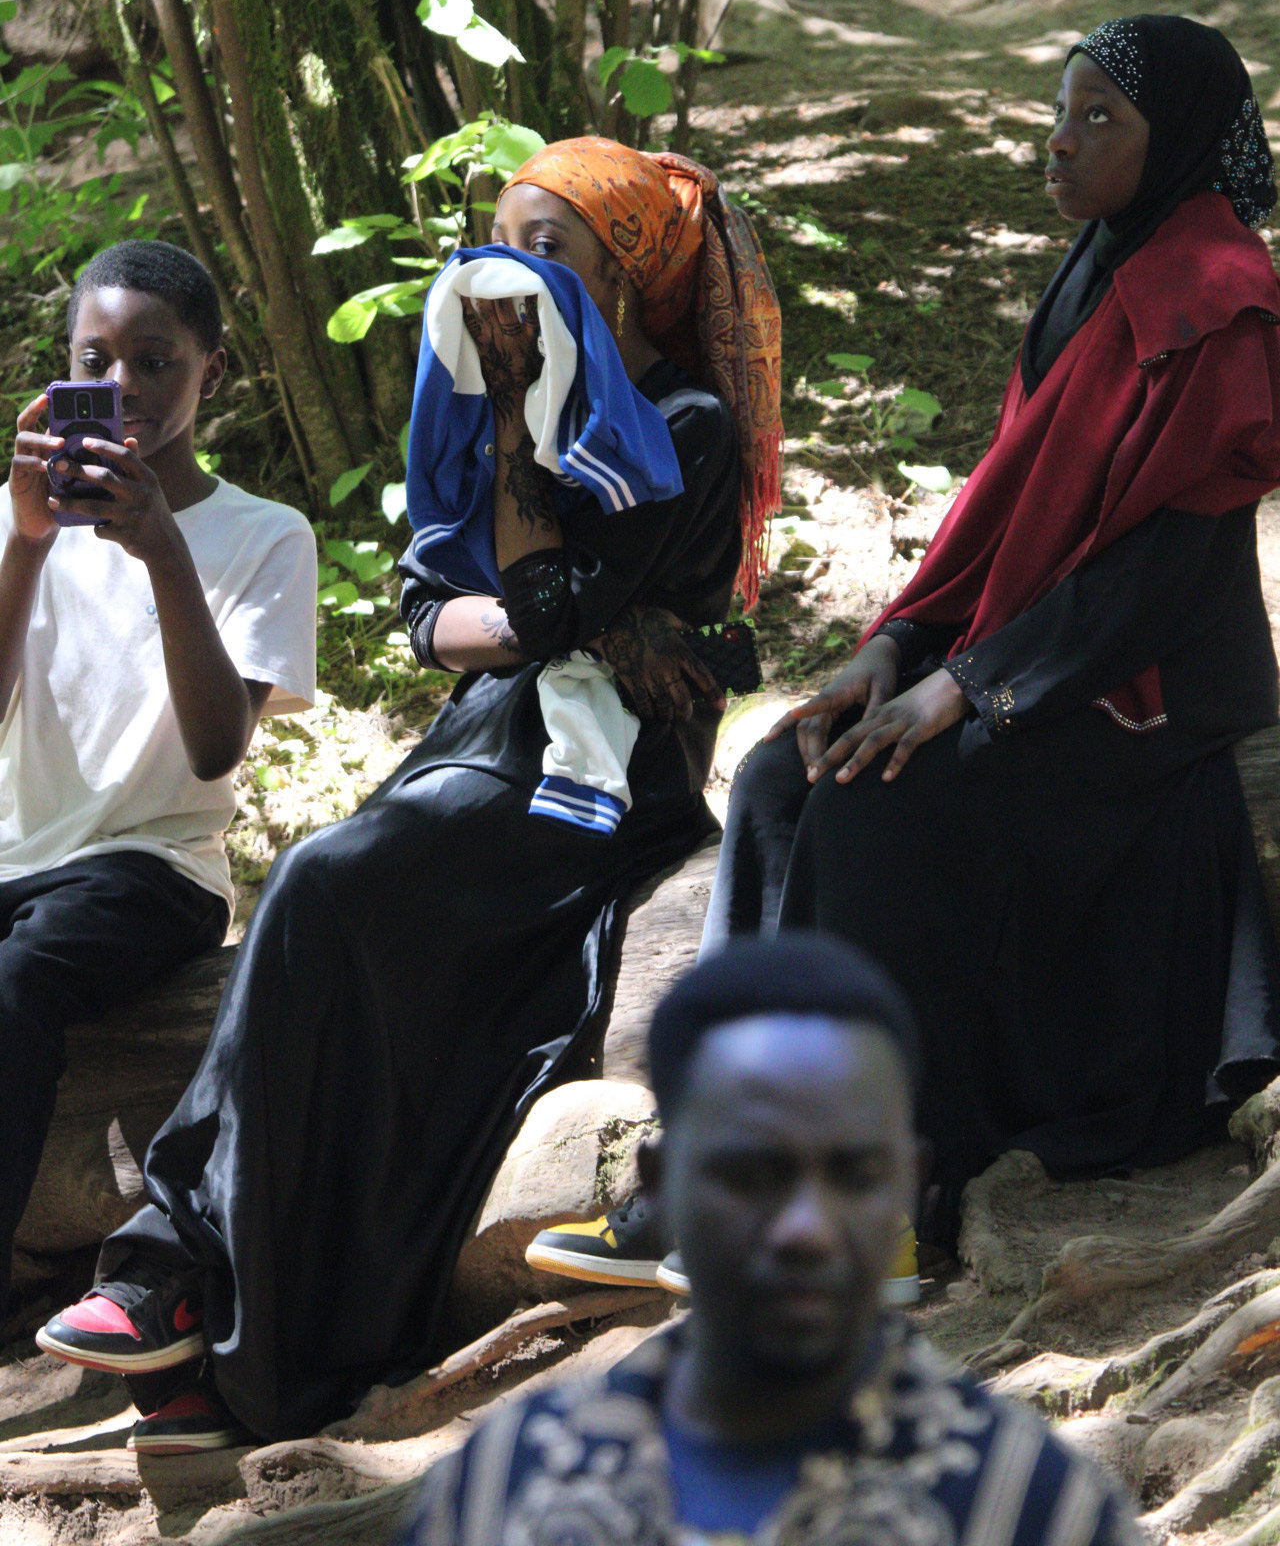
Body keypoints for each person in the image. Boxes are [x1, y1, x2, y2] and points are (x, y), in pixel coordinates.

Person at [39, 137, 782, 1453]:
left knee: (322, 885)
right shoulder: (499, 408)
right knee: (319, 903)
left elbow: (549, 604)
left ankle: (162, 1268)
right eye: (501, 242)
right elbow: (434, 614)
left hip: (601, 770)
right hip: (486, 738)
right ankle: (193, 1330)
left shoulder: (684, 428)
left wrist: (539, 550)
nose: (513, 271)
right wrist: (548, 584)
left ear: (625, 276)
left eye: (550, 249)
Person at [701, 14, 1280, 1248]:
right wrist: (895, 646)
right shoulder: (1102, 258)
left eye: (1096, 121)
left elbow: (1159, 573)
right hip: (1019, 645)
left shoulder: (1216, 300)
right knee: (773, 774)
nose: (1056, 144)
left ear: (1168, 137)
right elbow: (1007, 499)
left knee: (877, 805)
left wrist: (971, 688)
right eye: (1057, 110)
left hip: (1143, 681)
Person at [397, 934, 1138, 1546]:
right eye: (752, 1173)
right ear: (659, 1183)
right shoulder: (501, 1492)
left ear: (906, 1185)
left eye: (852, 1173)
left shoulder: (1033, 1510)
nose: (806, 1228)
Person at [1, 240, 315, 1340]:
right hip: (16, 855)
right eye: (99, 358)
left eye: (154, 359)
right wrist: (28, 547)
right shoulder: (19, 519)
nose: (124, 385)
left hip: (153, 867)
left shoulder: (266, 536)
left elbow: (217, 746)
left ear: (210, 373)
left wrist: (162, 551)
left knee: (20, 978)